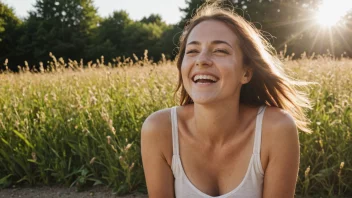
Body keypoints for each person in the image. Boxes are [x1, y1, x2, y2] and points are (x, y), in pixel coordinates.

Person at [141, 2, 311, 198]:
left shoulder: (275, 129)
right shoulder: (159, 129)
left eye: (220, 50)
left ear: (246, 73)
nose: (201, 60)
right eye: (192, 51)